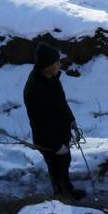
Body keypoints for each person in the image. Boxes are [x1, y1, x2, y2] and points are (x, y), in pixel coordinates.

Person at [23, 42, 85, 200]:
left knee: (64, 161)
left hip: (61, 131)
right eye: (56, 61)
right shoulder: (34, 88)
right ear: (47, 65)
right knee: (56, 164)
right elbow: (40, 122)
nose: (60, 64)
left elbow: (62, 103)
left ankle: (67, 190)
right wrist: (56, 145)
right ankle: (60, 195)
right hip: (48, 138)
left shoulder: (52, 78)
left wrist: (71, 120)